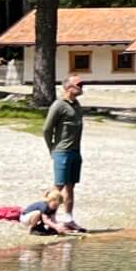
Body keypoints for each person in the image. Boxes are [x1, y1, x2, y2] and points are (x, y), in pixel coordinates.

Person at [44, 74, 89, 226]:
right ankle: (48, 217)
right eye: (79, 84)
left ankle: (69, 219)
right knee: (58, 186)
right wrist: (52, 149)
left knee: (70, 186)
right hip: (62, 152)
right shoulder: (58, 105)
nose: (82, 87)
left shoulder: (77, 104)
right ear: (69, 87)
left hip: (75, 152)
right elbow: (47, 129)